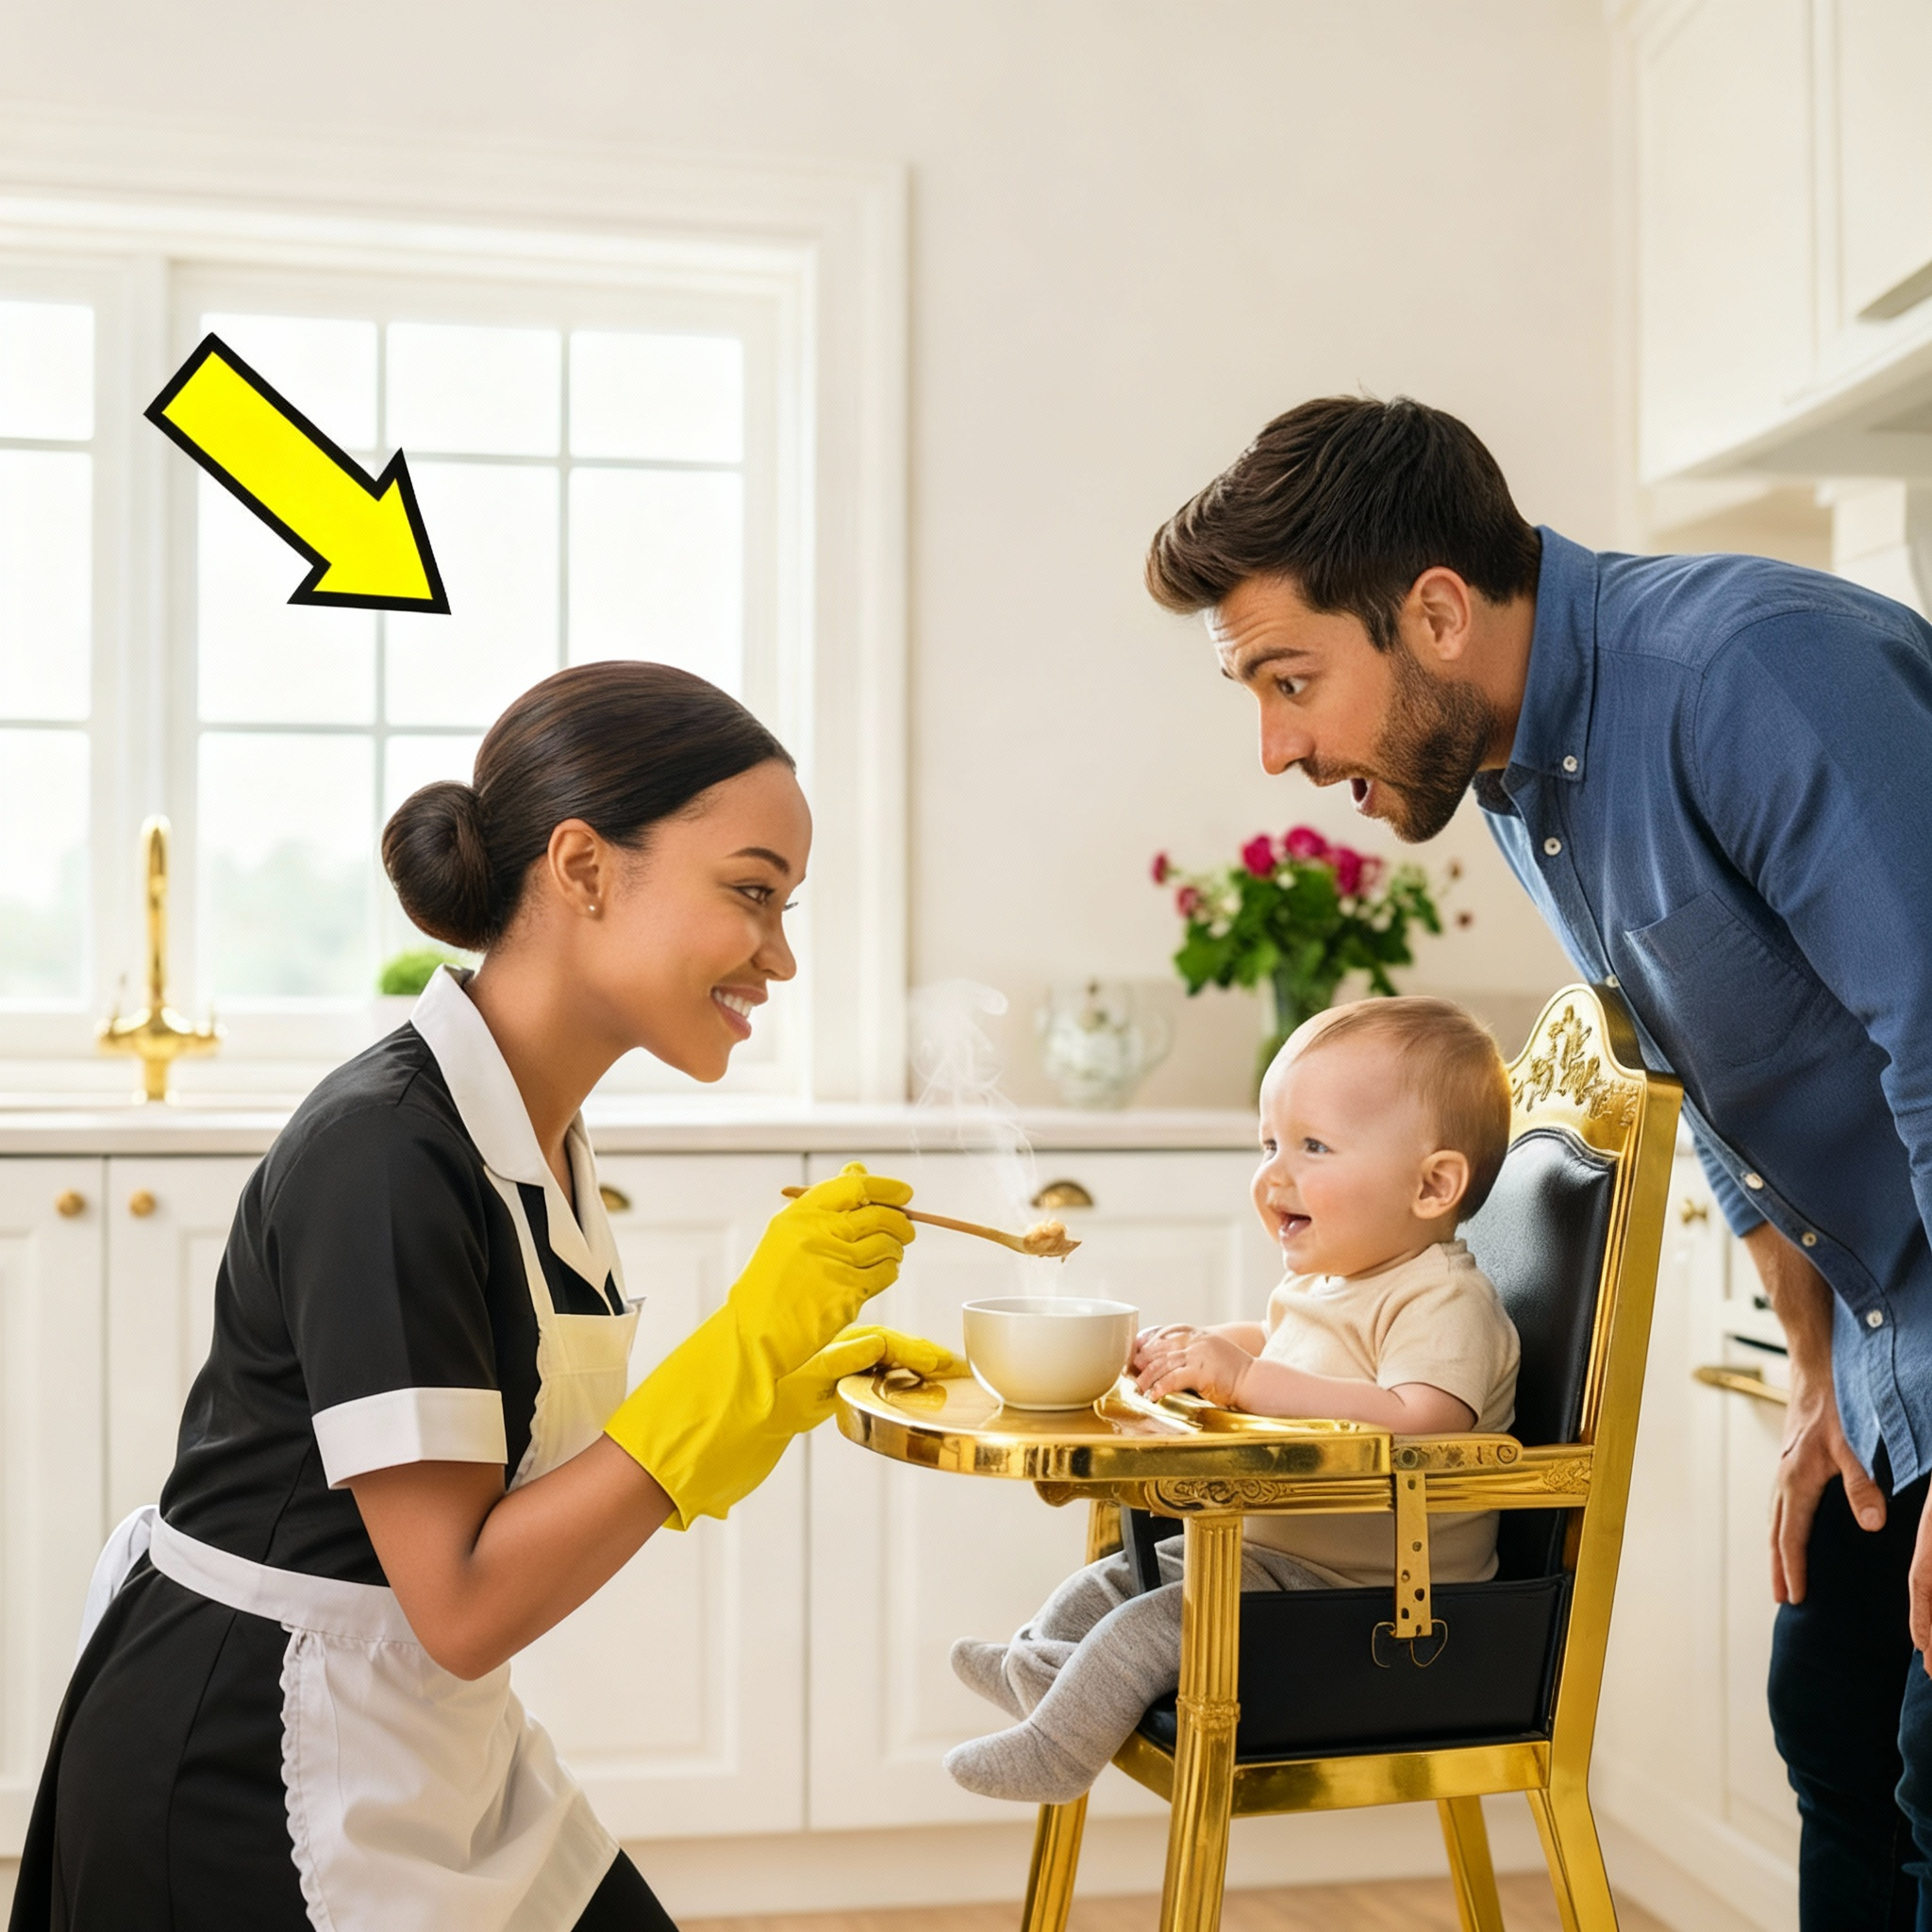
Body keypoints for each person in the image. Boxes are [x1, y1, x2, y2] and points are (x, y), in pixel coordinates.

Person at [1143, 394, 1932, 1930]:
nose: (1278, 746)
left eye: (1289, 680)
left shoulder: (1747, 670)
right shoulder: (1523, 783)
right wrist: (1812, 1366)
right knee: (1830, 1720)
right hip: (1886, 1333)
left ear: (1433, 610)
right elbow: (1718, 1085)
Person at [10, 659, 951, 1932]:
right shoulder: (387, 1155)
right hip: (256, 1755)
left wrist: (754, 1406)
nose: (778, 956)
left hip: (422, 1724)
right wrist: (728, 1365)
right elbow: (458, 1601)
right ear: (581, 869)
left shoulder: (530, 1133)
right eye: (750, 894)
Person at [942, 996, 1520, 1804]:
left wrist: (1246, 1381)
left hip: (1369, 1596)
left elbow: (1420, 1417)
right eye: (1270, 1143)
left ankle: (1058, 1750)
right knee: (1109, 1585)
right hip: (1275, 1560)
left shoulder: (1443, 1301)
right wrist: (1216, 1346)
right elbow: (1293, 1346)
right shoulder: (1329, 1281)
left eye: (1314, 1146)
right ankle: (1038, 1673)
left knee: (1148, 1627)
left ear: (1433, 1184)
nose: (1275, 1174)